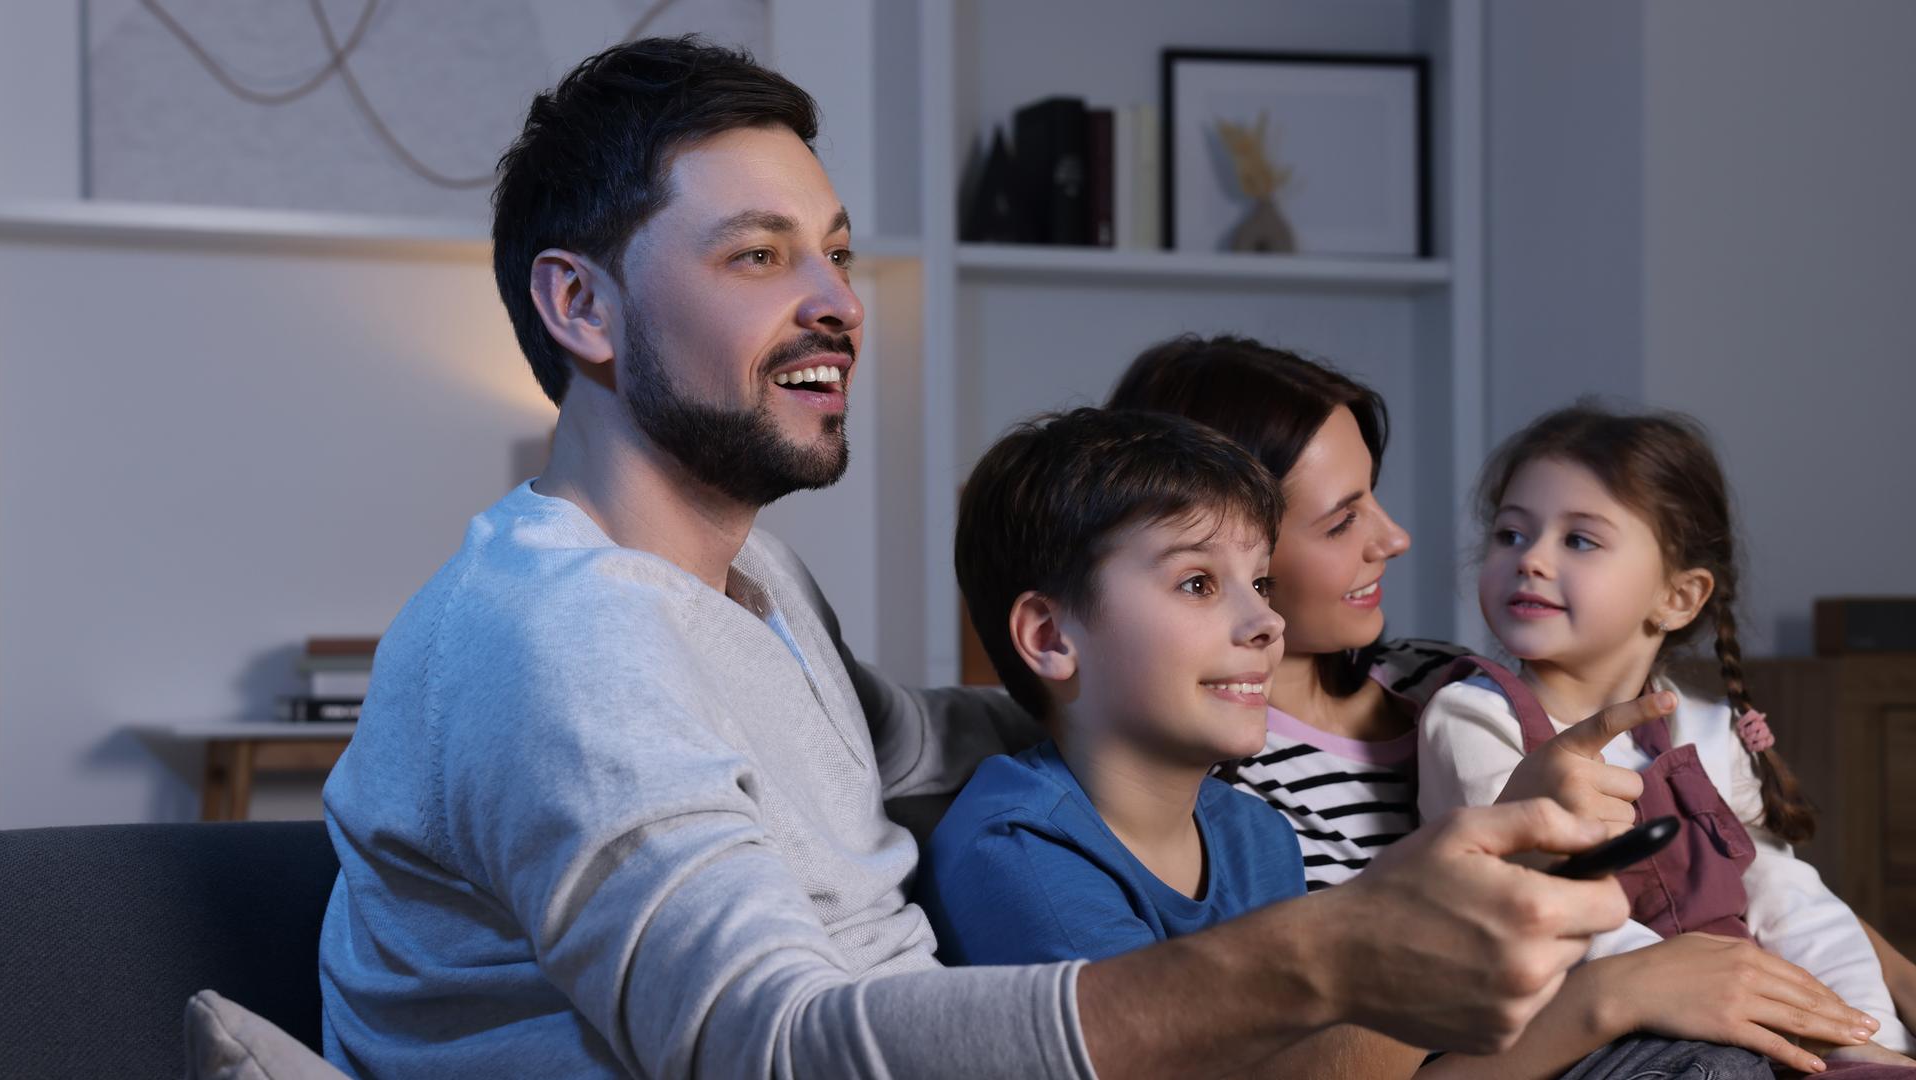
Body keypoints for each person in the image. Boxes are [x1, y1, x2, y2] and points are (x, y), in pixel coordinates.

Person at [320, 38, 1638, 1079]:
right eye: (758, 255)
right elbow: (763, 1050)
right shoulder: (561, 645)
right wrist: (1317, 961)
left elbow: (922, 741)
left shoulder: (748, 582)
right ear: (580, 305)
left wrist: (1259, 701)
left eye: (836, 253)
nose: (838, 301)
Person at [1108, 335, 1889, 1076]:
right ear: (1220, 549)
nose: (1395, 538)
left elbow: (1757, 879)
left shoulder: (1437, 675)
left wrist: (1885, 1004)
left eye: (1374, 495)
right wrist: (1619, 992)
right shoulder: (1223, 799)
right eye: (1343, 519)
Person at [1418, 403, 1916, 1070]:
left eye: (1579, 540)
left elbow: (1790, 900)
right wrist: (1724, 1001)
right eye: (1510, 534)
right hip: (1578, 1033)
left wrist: (1864, 1037)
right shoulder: (1474, 719)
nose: (1530, 559)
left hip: (1735, 1013)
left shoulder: (1706, 730)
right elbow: (1541, 913)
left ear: (1678, 598)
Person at [920, 407, 1305, 967]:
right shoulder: (1015, 853)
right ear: (1050, 637)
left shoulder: (1259, 835)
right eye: (1197, 583)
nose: (1269, 622)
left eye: (1261, 583)